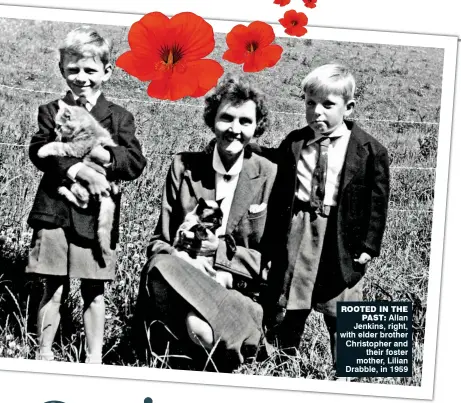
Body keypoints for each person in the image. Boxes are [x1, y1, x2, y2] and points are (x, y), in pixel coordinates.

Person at [135, 75, 277, 371]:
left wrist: (219, 255)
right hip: (184, 276)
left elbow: (275, 262)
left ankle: (222, 355)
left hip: (237, 290)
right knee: (159, 266)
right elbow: (158, 242)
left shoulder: (269, 174)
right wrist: (182, 256)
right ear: (212, 119)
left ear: (256, 127)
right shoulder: (184, 167)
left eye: (245, 122)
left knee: (198, 327)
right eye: (226, 118)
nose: (234, 130)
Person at [26, 26, 146, 364]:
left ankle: (94, 359)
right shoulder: (51, 110)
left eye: (90, 69)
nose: (81, 77)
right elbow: (40, 150)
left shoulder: (120, 117)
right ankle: (44, 353)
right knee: (53, 287)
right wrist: (76, 168)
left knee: (94, 290)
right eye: (73, 69)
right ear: (62, 69)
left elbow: (135, 161)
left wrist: (108, 155)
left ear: (106, 72)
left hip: (96, 219)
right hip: (55, 212)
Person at [262, 64, 390, 372]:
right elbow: (278, 185)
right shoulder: (295, 142)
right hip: (300, 226)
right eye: (310, 103)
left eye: (327, 105)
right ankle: (283, 360)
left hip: (342, 232)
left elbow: (377, 203)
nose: (316, 112)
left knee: (342, 303)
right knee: (293, 295)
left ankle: (347, 369)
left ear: (349, 107)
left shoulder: (370, 150)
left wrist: (368, 245)